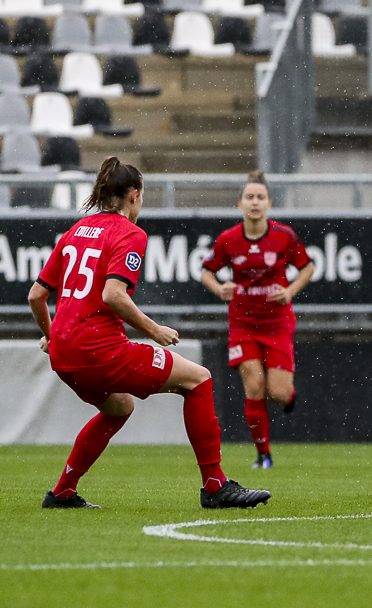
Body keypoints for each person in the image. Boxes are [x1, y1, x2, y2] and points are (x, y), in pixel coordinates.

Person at [30, 157, 271, 510]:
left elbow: (36, 295)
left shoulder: (76, 231)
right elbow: (113, 295)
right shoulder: (130, 233)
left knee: (119, 406)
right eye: (142, 196)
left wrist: (53, 337)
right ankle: (215, 486)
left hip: (64, 355)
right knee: (199, 380)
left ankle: (63, 492)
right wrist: (154, 330)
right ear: (134, 195)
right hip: (101, 351)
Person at [200, 171, 313, 469]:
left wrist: (289, 291)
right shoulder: (228, 239)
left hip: (277, 324)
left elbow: (308, 267)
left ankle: (289, 396)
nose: (255, 202)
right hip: (243, 324)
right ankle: (263, 455)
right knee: (254, 384)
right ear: (240, 203)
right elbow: (206, 272)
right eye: (249, 197)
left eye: (260, 197)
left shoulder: (284, 236)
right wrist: (219, 288)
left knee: (278, 393)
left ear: (269, 204)